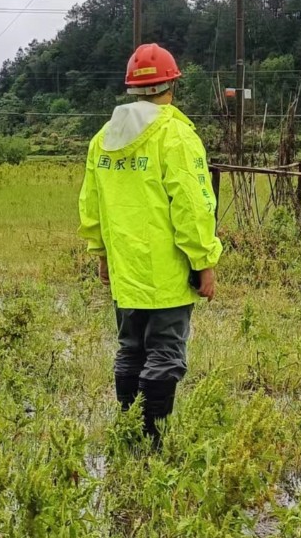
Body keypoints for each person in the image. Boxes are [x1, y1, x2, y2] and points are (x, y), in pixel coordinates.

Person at [79, 42, 222, 444]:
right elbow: (193, 206)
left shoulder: (103, 138)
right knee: (164, 353)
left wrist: (101, 252)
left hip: (125, 269)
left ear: (132, 88)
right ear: (171, 84)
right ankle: (152, 440)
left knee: (130, 349)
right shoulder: (175, 134)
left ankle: (129, 432)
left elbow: (92, 205)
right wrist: (204, 261)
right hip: (166, 271)